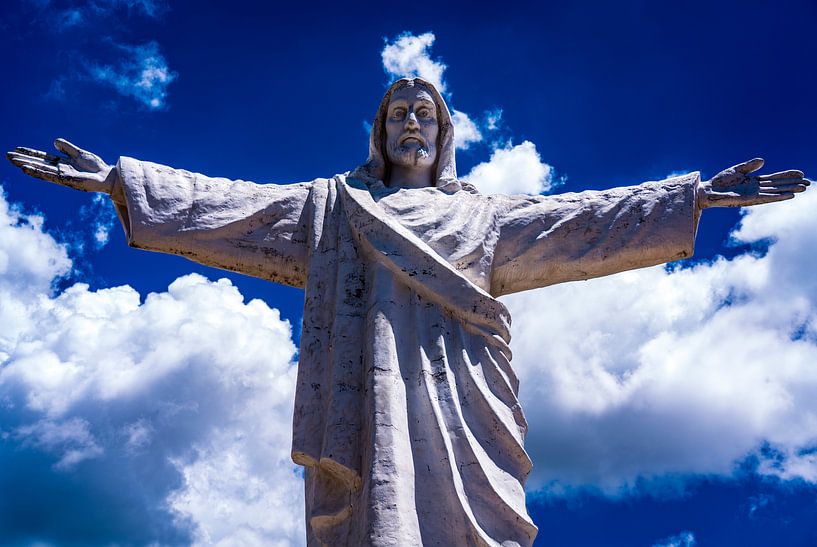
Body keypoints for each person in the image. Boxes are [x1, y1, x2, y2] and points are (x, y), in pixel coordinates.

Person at [7, 78, 810, 547]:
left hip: (462, 401)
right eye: (398, 114)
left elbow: (584, 220)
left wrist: (693, 196)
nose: (412, 123)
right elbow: (235, 210)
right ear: (380, 133)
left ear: (446, 132)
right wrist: (123, 181)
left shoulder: (486, 216)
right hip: (371, 392)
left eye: (424, 113)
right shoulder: (333, 206)